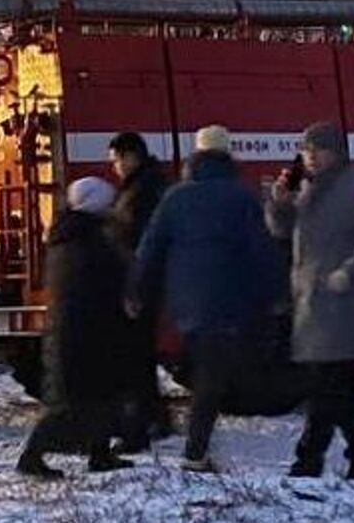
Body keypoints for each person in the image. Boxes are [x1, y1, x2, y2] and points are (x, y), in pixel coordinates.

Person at [134, 125, 283, 473]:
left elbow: (149, 248)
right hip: (228, 300)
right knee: (212, 380)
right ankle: (194, 452)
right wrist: (277, 293)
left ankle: (193, 445)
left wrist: (135, 289)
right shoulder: (241, 196)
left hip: (185, 301)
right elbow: (262, 250)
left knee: (208, 369)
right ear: (227, 155)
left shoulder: (176, 197)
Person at [265, 122, 354, 481]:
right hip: (315, 306)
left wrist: (350, 271)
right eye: (306, 151)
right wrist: (279, 202)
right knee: (335, 393)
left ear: (336, 152)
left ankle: (310, 462)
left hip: (346, 307)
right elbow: (280, 232)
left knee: (329, 391)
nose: (310, 157)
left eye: (317, 150)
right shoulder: (308, 190)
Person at [17, 176, 136, 480]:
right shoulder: (87, 239)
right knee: (71, 402)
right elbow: (106, 277)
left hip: (82, 329)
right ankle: (32, 457)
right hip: (83, 331)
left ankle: (100, 453)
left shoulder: (70, 235)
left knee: (100, 396)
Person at [107, 131, 172, 450]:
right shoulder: (141, 186)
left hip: (139, 282)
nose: (114, 166)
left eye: (117, 159)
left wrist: (133, 287)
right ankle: (154, 417)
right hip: (140, 281)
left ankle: (141, 425)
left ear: (131, 156)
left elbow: (142, 243)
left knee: (136, 356)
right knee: (139, 355)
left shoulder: (144, 191)